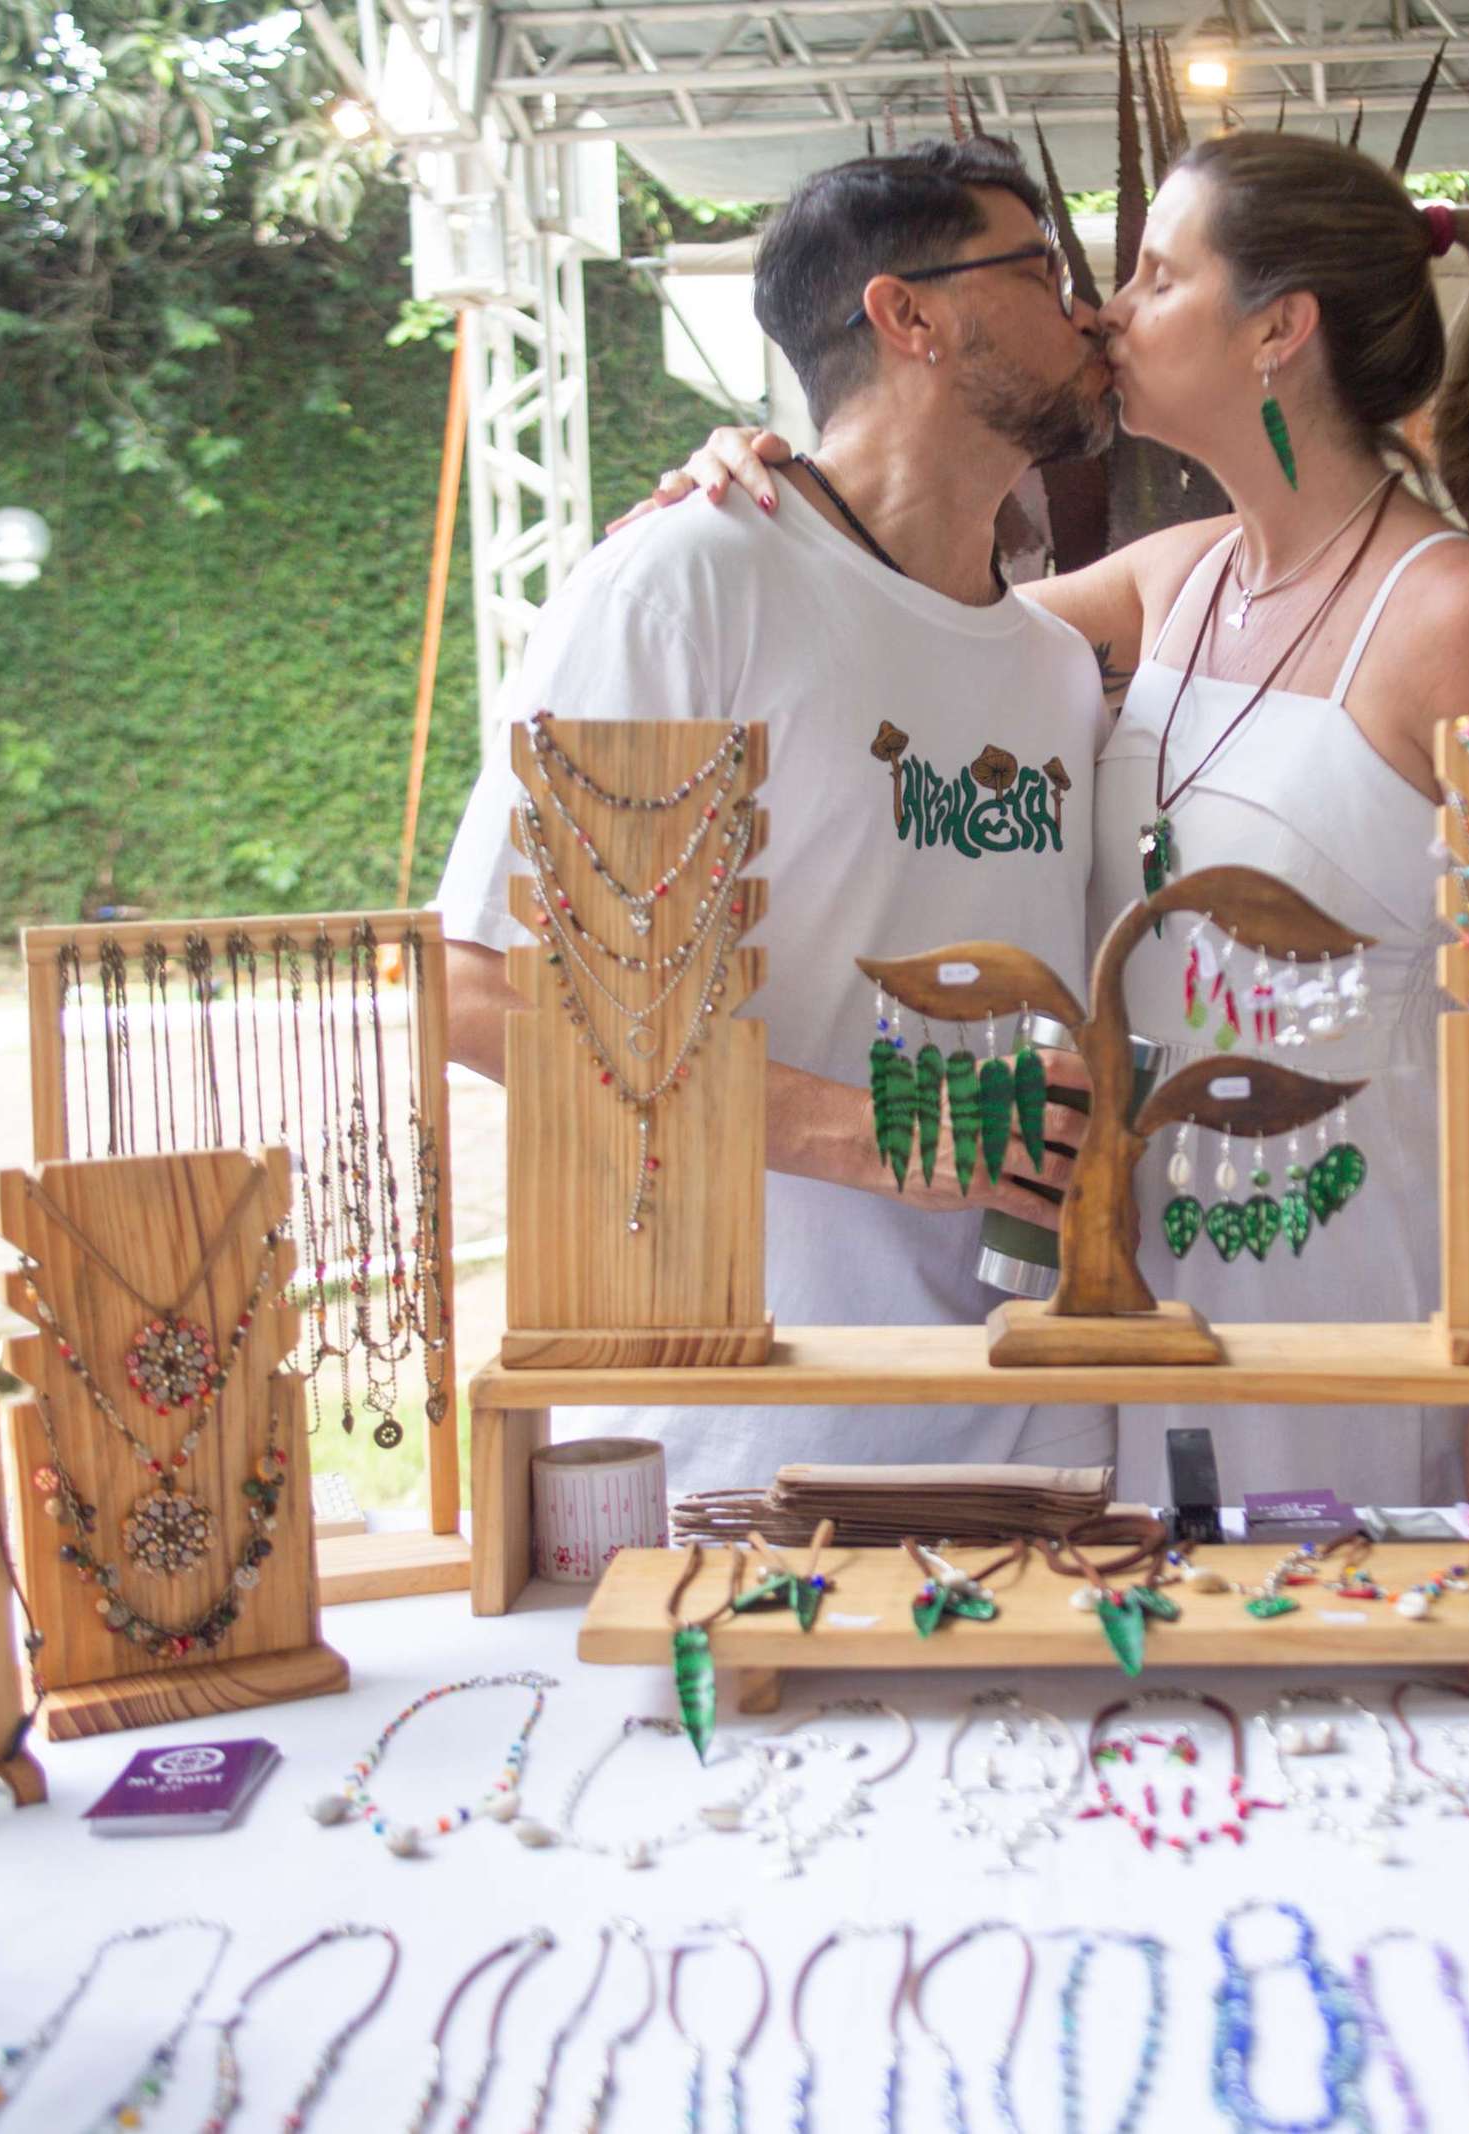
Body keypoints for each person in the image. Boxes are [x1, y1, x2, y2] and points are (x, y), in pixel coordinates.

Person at [638, 133, 1469, 1506]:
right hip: (1127, 1332)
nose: (1103, 312)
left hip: (1360, 1313)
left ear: (1277, 331)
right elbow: (886, 618)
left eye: (1155, 276)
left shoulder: (1468, 621)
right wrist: (760, 497)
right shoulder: (1171, 584)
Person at [434, 138, 1119, 1496]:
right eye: (1043, 271)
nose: (1087, 313)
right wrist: (875, 1134)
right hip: (743, 1429)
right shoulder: (688, 582)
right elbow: (472, 991)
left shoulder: (1054, 664)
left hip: (1037, 1425)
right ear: (906, 314)